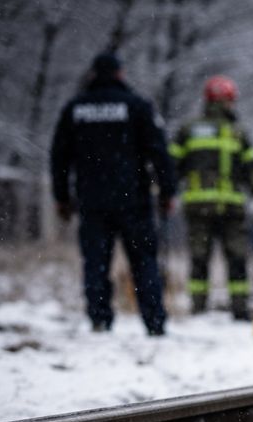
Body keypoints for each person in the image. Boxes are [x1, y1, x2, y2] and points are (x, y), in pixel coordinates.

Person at [50, 52, 175, 336]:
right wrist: (168, 192)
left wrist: (61, 196)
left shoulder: (76, 108)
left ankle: (99, 319)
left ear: (93, 74)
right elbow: (159, 151)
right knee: (144, 262)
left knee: (95, 262)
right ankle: (154, 323)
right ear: (120, 73)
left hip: (92, 200)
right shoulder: (137, 106)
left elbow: (59, 156)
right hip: (134, 200)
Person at [171, 75, 253, 320]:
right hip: (231, 207)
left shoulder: (189, 129)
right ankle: (240, 308)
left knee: (200, 257)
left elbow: (172, 166)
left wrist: (167, 192)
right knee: (237, 258)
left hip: (198, 205)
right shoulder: (237, 132)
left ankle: (199, 307)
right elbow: (251, 168)